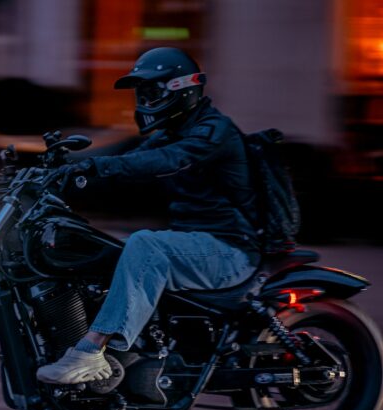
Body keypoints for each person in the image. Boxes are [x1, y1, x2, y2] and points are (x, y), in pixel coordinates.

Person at [37, 47, 260, 384]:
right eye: (143, 94)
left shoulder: (214, 131)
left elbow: (167, 160)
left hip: (229, 250)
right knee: (105, 250)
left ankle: (92, 351)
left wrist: (97, 165)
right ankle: (124, 353)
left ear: (182, 90)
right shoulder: (172, 133)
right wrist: (60, 171)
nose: (145, 101)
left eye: (152, 92)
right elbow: (127, 162)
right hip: (196, 244)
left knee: (145, 245)